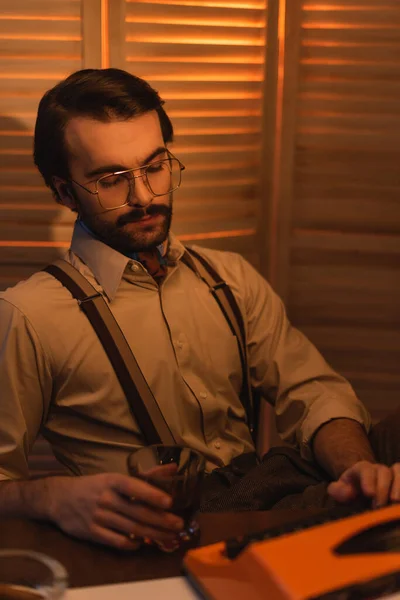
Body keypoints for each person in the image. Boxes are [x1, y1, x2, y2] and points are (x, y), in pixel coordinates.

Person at [0, 68, 398, 551]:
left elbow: (313, 391)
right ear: (64, 193)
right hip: (152, 543)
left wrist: (358, 469)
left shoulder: (230, 278)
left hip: (264, 509)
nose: (144, 196)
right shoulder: (29, 315)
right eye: (111, 180)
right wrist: (54, 498)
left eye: (155, 166)